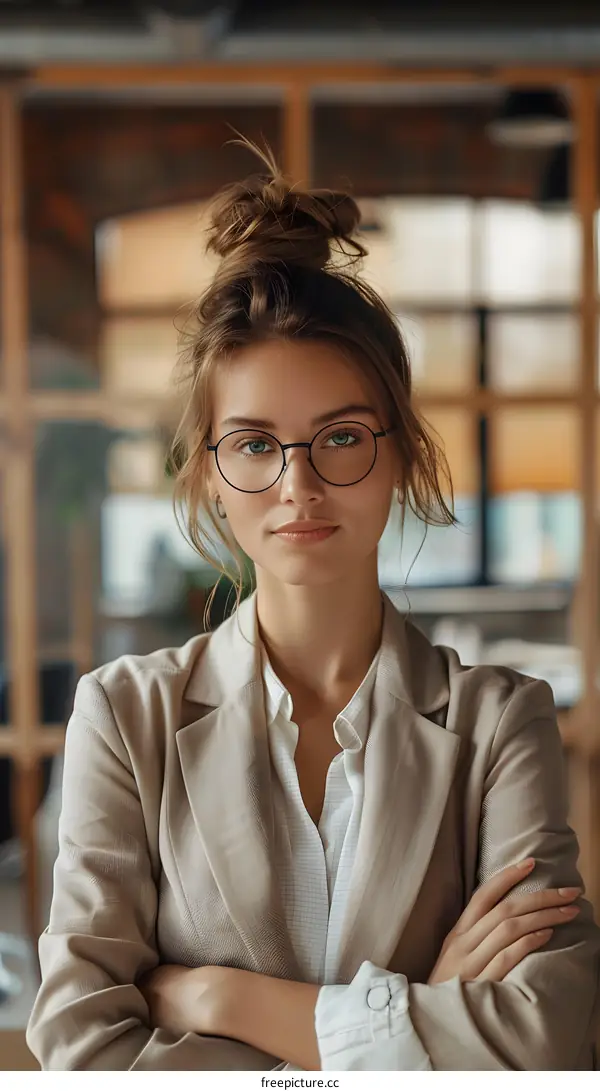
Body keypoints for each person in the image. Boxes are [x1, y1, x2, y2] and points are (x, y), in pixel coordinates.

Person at [27, 145, 600, 1071]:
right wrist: (412, 1025)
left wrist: (221, 996)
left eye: (340, 436)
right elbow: (85, 1052)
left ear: (404, 453)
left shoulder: (500, 721)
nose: (299, 484)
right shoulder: (125, 717)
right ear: (211, 474)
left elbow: (544, 1040)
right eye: (255, 443)